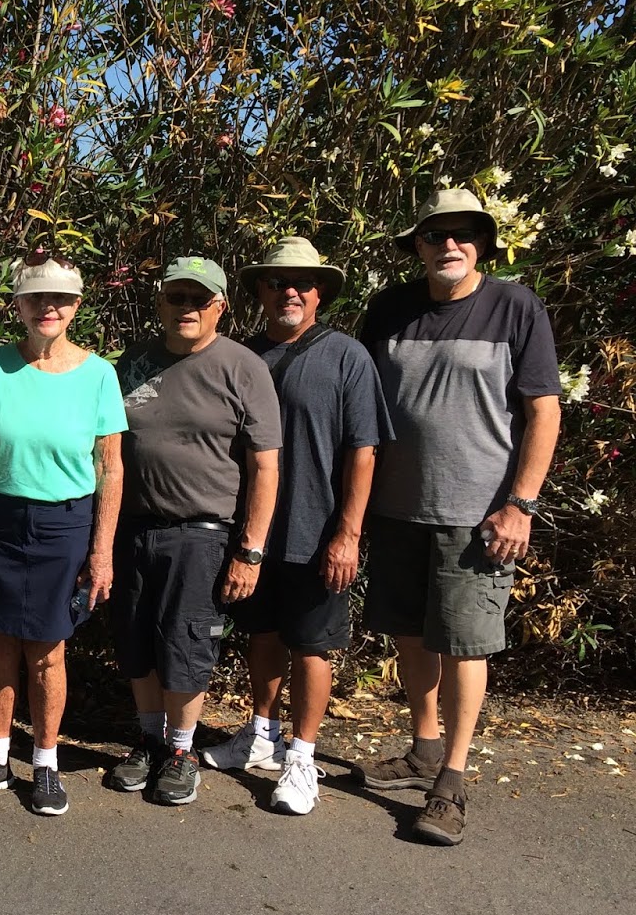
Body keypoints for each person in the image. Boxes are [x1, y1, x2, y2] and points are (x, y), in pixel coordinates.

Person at [355, 188, 560, 845]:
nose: (450, 245)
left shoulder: (515, 307)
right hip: (395, 508)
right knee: (410, 635)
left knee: (464, 644)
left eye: (464, 234)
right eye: (435, 234)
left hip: (478, 517)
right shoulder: (388, 309)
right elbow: (363, 404)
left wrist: (520, 504)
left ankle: (451, 778)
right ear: (417, 245)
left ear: (482, 245)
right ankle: (423, 747)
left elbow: (544, 411)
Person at [200, 238, 392, 816]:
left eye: (303, 282)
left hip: (317, 531)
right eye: (278, 281)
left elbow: (364, 450)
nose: (291, 291)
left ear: (320, 293)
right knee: (261, 635)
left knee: (312, 645)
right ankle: (262, 734)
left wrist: (348, 534)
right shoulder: (240, 355)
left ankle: (302, 756)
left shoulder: (346, 356)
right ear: (260, 291)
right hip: (252, 533)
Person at [0, 254, 126, 817]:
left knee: (47, 648)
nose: (48, 308)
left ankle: (45, 763)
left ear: (76, 306)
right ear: (18, 305)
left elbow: (110, 467)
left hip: (64, 524)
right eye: (36, 298)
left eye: (60, 299)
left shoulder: (99, 374)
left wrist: (102, 551)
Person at [106, 256, 282, 808]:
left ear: (219, 307)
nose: (187, 308)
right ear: (160, 302)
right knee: (135, 640)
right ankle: (150, 739)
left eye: (199, 299)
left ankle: (181, 750)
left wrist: (251, 550)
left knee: (185, 644)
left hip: (203, 533)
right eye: (176, 297)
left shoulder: (243, 367)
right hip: (133, 526)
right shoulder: (133, 362)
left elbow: (265, 465)